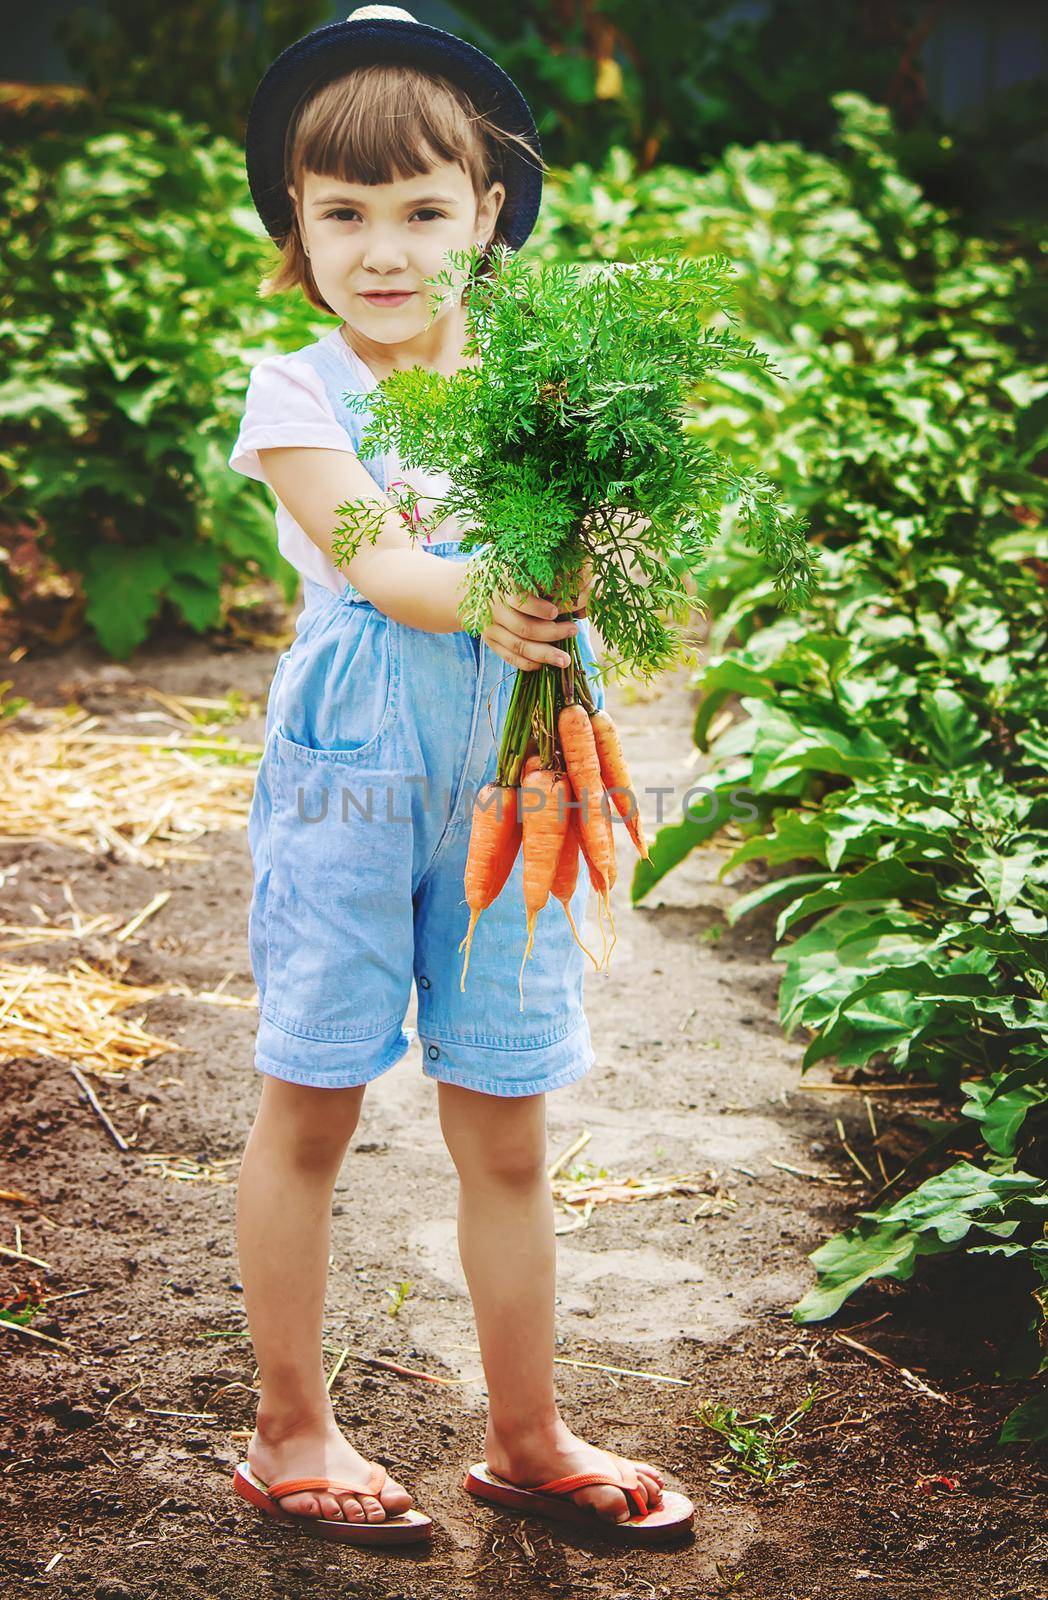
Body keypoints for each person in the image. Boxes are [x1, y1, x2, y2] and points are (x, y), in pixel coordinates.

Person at [227, 4, 695, 1550]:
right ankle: (291, 1429)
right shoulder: (296, 396)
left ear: (486, 213)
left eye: (422, 210)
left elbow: (621, 545)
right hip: (355, 774)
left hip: (523, 768)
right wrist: (490, 585)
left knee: (504, 1121)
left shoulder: (548, 383)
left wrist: (593, 526)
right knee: (314, 1097)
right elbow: (379, 558)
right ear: (294, 221)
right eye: (343, 211)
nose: (383, 247)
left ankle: (527, 1433)